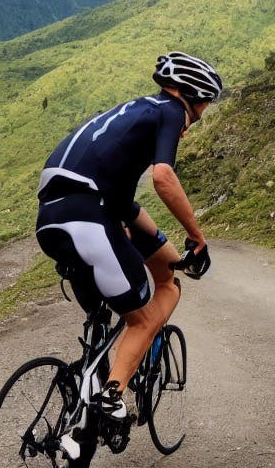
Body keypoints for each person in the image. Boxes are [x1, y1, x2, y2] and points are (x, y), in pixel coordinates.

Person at [35, 51, 221, 423]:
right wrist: (197, 237)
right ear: (195, 98)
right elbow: (163, 177)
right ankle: (111, 396)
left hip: (51, 220)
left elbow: (124, 207)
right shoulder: (171, 111)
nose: (195, 121)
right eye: (204, 107)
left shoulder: (133, 113)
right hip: (89, 221)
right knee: (143, 319)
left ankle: (84, 405)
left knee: (117, 307)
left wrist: (166, 250)